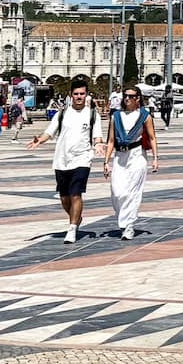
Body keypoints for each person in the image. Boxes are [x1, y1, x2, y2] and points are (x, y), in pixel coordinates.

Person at [28, 75, 105, 244]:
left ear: (86, 95)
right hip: (61, 160)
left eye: (82, 94)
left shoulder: (93, 115)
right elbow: (49, 132)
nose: (79, 97)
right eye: (76, 94)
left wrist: (98, 145)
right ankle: (76, 217)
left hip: (82, 159)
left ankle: (72, 228)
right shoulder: (62, 114)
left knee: (76, 194)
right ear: (71, 95)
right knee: (64, 198)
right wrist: (39, 140)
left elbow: (97, 135)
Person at [103, 83, 159, 240]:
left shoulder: (144, 116)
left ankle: (129, 226)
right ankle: (124, 218)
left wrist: (155, 158)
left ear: (138, 98)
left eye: (131, 96)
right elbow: (111, 140)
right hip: (120, 157)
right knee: (117, 192)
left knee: (132, 192)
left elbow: (152, 137)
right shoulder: (116, 116)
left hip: (137, 156)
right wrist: (106, 162)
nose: (127, 99)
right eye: (125, 96)